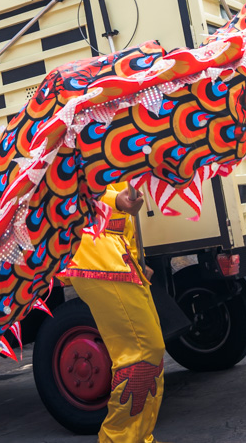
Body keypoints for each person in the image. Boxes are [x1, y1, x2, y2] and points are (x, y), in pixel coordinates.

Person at [63, 182, 165, 443]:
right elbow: (58, 178)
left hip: (114, 252)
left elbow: (122, 215)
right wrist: (114, 200)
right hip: (94, 250)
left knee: (149, 354)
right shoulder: (69, 140)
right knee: (141, 355)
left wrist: (133, 255)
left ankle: (139, 438)